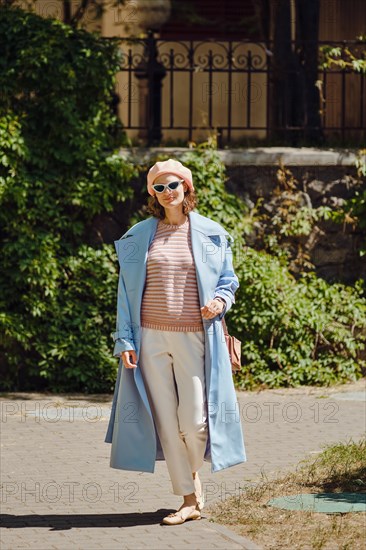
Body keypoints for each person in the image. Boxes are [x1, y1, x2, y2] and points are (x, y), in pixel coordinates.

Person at [104, 158, 247, 526]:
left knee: (195, 421)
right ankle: (187, 499)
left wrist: (219, 301)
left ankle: (192, 472)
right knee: (166, 421)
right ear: (153, 194)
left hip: (195, 337)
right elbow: (125, 291)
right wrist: (125, 339)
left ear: (186, 188)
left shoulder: (211, 233)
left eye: (173, 185)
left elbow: (228, 281)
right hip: (150, 337)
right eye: (159, 187)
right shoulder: (139, 235)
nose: (167, 193)